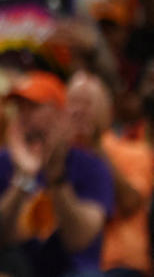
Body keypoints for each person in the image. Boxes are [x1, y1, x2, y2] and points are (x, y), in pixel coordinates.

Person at [0, 71, 114, 277]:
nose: (24, 113)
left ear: (61, 113)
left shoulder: (92, 166)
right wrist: (22, 180)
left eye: (34, 106)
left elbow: (79, 239)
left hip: (71, 270)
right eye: (19, 107)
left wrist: (56, 177)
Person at [64, 71, 152, 276]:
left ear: (108, 112)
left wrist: (96, 147)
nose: (78, 111)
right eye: (73, 103)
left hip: (117, 264)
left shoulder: (137, 153)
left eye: (86, 104)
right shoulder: (57, 156)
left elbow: (130, 202)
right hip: (66, 261)